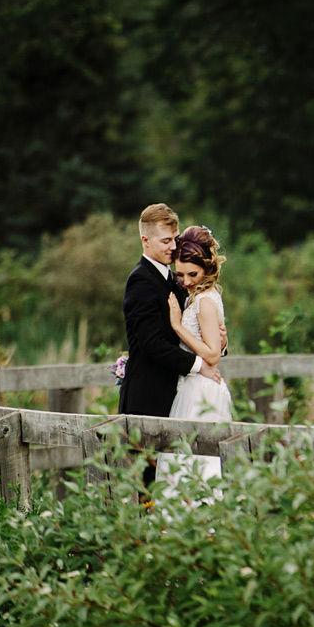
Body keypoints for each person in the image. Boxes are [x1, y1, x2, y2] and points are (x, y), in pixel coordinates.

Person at [118, 204, 223, 486]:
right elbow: (151, 344)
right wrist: (201, 366)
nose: (173, 247)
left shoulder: (176, 278)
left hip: (178, 397)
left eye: (175, 239)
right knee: (149, 486)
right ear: (145, 240)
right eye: (166, 241)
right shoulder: (140, 281)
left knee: (181, 477)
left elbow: (196, 329)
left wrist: (219, 342)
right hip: (148, 399)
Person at [155, 225, 234, 490]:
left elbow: (212, 354)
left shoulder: (204, 301)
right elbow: (215, 344)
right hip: (193, 384)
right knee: (186, 464)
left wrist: (177, 326)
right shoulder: (197, 296)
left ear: (207, 269)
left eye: (193, 274)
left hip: (201, 392)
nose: (186, 281)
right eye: (181, 274)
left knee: (195, 464)